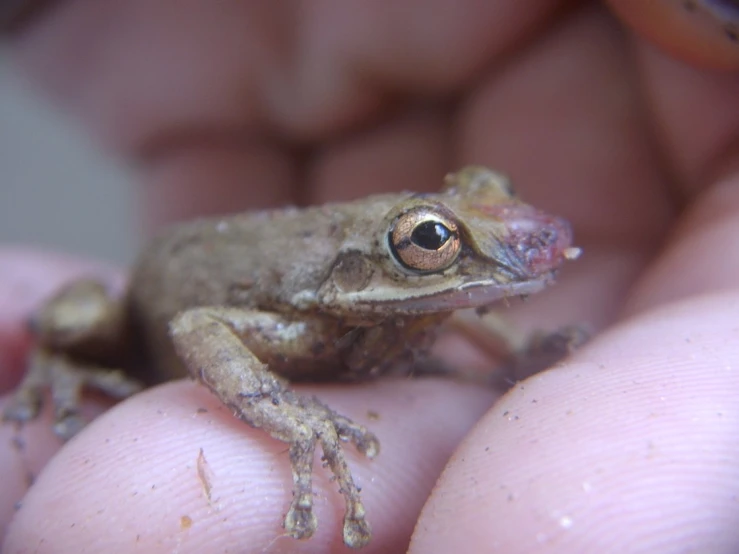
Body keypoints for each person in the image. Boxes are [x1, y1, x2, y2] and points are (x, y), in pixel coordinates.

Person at [2, 1, 739, 552]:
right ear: (390, 255)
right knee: (78, 319)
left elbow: (465, 306)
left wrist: (518, 353)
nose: (489, 237)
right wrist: (281, 412)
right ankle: (61, 360)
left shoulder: (426, 302)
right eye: (431, 241)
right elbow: (200, 323)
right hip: (150, 307)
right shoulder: (305, 319)